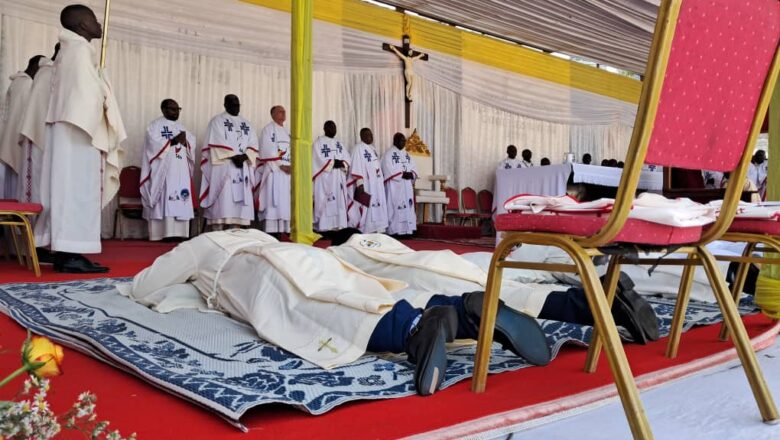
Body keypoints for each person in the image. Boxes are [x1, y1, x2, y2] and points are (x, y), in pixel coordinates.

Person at [119, 230, 550, 396]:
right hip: (304, 255)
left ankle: (417, 331)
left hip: (258, 271)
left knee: (313, 313)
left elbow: (146, 284)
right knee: (355, 292)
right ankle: (463, 312)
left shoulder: (205, 245)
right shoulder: (258, 233)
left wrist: (187, 277)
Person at [329, 233, 660, 345]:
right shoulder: (378, 241)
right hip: (439, 259)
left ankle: (586, 303)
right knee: (505, 284)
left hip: (412, 269)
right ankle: (590, 301)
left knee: (495, 292)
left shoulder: (339, 252)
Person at [34, 5, 126, 274]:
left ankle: (66, 252)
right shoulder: (78, 52)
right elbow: (88, 97)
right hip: (79, 134)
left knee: (69, 191)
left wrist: (100, 78)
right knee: (76, 192)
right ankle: (70, 254)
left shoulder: (70, 52)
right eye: (94, 20)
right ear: (83, 25)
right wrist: (103, 84)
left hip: (71, 131)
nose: (99, 24)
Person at [199, 94, 258, 229]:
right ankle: (218, 229)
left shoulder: (246, 123)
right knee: (224, 198)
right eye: (232, 105)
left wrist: (244, 157)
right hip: (224, 166)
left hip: (242, 166)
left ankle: (236, 230)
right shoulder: (217, 121)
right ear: (225, 105)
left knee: (239, 202)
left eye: (237, 105)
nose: (236, 107)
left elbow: (253, 142)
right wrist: (234, 156)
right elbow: (216, 140)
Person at [141, 99, 195, 241]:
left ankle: (180, 233)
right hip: (164, 170)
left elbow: (190, 142)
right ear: (164, 109)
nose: (176, 112)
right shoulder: (155, 126)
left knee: (181, 196)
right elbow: (152, 145)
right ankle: (164, 233)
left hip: (180, 168)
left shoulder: (181, 127)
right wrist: (172, 141)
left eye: (178, 109)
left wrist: (187, 142)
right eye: (172, 109)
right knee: (166, 195)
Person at [19, 45, 59, 204]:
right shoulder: (46, 73)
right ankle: (31, 226)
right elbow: (37, 111)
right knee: (36, 185)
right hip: (38, 136)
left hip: (54, 139)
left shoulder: (63, 72)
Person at [0, 55, 43, 199]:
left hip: (7, 139)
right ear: (35, 67)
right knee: (15, 192)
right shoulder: (27, 85)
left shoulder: (16, 82)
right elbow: (27, 117)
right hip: (16, 142)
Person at [257, 105, 291, 235]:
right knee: (273, 203)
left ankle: (285, 232)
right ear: (273, 115)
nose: (283, 113)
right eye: (280, 112)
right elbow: (267, 149)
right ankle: (272, 232)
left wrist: (292, 165)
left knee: (286, 204)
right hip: (274, 171)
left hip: (288, 174)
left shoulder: (288, 132)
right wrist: (280, 165)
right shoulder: (268, 130)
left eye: (284, 111)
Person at [348, 128, 388, 233]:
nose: (370, 137)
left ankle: (378, 228)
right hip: (367, 184)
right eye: (367, 135)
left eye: (371, 135)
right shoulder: (358, 149)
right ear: (361, 136)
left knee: (377, 204)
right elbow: (355, 167)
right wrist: (359, 184)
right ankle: (366, 229)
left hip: (376, 184)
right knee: (366, 207)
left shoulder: (372, 149)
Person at [312, 120, 350, 232]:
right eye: (330, 127)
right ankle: (324, 228)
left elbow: (347, 158)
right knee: (325, 201)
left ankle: (339, 227)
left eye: (334, 127)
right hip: (325, 178)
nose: (333, 129)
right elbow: (316, 159)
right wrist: (333, 163)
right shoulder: (318, 143)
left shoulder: (339, 144)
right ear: (324, 129)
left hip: (338, 177)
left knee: (339, 202)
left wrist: (342, 163)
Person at [381, 132, 418, 236]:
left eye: (404, 141)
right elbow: (387, 168)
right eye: (401, 140)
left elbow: (414, 168)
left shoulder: (407, 155)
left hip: (406, 186)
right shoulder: (388, 154)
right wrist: (401, 174)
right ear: (395, 141)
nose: (404, 143)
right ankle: (395, 231)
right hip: (395, 186)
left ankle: (408, 230)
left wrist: (411, 174)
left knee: (408, 207)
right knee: (396, 207)